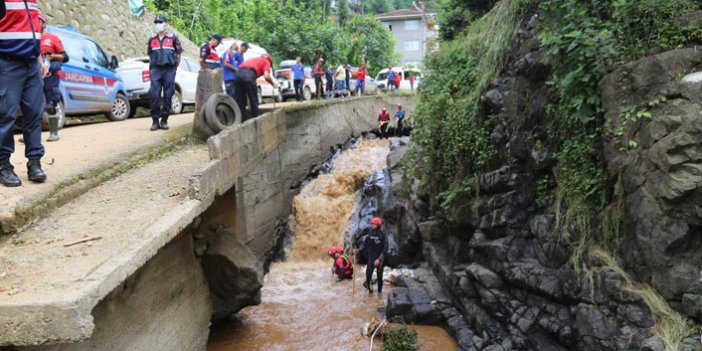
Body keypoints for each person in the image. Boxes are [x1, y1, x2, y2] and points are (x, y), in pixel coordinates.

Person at [0, 0, 48, 187]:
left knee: (34, 115)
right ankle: (3, 164)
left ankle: (34, 162)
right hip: (7, 64)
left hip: (32, 65)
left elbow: (32, 33)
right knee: (5, 116)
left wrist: (39, 60)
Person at [147, 15, 183, 131]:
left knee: (168, 95)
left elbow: (178, 54)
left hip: (169, 70)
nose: (158, 24)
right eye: (156, 22)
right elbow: (150, 55)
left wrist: (174, 69)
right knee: (154, 95)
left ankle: (164, 120)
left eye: (160, 22)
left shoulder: (173, 38)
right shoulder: (152, 40)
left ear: (166, 24)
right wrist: (152, 70)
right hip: (156, 70)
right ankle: (155, 121)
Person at [38, 13, 68, 142]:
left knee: (51, 104)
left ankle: (54, 132)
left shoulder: (52, 38)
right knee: (31, 105)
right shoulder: (29, 39)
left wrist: (52, 56)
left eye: (39, 21)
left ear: (44, 23)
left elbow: (65, 57)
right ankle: (31, 136)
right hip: (34, 77)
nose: (36, 23)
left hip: (50, 76)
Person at [235, 54, 279, 120]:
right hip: (248, 75)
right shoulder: (266, 61)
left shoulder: (253, 59)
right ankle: (256, 119)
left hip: (237, 75)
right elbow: (266, 76)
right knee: (253, 100)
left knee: (240, 101)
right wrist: (273, 84)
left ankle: (241, 121)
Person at [354, 217, 389, 293]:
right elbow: (364, 244)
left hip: (380, 258)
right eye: (371, 224)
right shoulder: (370, 232)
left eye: (374, 224)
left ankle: (379, 292)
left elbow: (386, 248)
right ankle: (371, 291)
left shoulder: (383, 233)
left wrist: (379, 259)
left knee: (379, 277)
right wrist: (358, 250)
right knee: (368, 276)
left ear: (378, 225)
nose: (372, 225)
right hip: (371, 257)